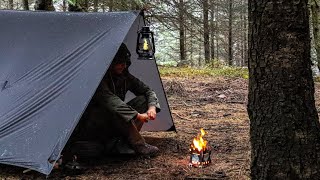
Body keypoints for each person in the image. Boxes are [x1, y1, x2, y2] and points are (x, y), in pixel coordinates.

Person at [64, 43, 160, 161]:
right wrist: (138, 116)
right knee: (115, 109)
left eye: (125, 63)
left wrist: (152, 108)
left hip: (116, 122)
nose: (123, 66)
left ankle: (124, 141)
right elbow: (111, 101)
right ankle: (138, 144)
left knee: (143, 100)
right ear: (110, 62)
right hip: (95, 125)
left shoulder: (125, 76)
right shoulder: (98, 78)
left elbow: (148, 90)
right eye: (119, 63)